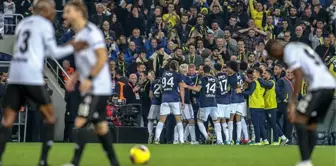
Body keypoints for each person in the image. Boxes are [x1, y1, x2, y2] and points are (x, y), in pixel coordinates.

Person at [0, 0, 87, 166]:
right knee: (51, 118)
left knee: (7, 121)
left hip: (15, 75)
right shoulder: (45, 25)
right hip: (31, 76)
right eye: (52, 9)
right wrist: (73, 46)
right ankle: (43, 161)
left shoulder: (23, 23)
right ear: (44, 11)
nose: (54, 11)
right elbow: (53, 51)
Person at [62, 1, 119, 166]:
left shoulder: (91, 32)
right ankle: (114, 162)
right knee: (101, 127)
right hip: (92, 86)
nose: (64, 15)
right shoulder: (79, 36)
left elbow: (102, 57)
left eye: (68, 11)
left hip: (98, 87)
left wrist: (89, 79)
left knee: (80, 120)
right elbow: (87, 62)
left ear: (78, 13)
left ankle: (74, 162)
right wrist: (76, 76)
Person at [266, 39, 336, 166]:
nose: (278, 59)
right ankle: (306, 160)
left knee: (299, 119)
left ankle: (305, 161)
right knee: (310, 124)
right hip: (329, 86)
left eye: (274, 56)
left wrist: (292, 102)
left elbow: (298, 74)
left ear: (275, 50)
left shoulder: (289, 51)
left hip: (319, 87)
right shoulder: (300, 46)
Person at [186, 65, 223, 144]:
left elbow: (197, 89)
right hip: (213, 103)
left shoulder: (202, 79)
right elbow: (219, 92)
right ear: (210, 70)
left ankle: (206, 137)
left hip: (205, 103)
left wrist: (187, 86)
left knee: (199, 121)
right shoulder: (216, 79)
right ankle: (220, 140)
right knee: (216, 121)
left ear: (203, 70)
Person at [154, 60, 185, 144]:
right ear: (177, 67)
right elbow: (181, 88)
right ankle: (181, 140)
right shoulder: (178, 75)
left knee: (161, 121)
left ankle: (156, 139)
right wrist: (182, 101)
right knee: (178, 120)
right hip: (174, 99)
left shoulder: (164, 74)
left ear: (169, 66)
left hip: (164, 99)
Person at [214, 63, 231, 144]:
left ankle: (219, 140)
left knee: (217, 120)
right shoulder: (227, 76)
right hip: (227, 101)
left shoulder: (215, 78)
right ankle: (227, 140)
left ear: (214, 69)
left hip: (219, 101)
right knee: (224, 120)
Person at [147, 71, 161, 144]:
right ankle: (157, 137)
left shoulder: (153, 82)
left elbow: (150, 95)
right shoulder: (164, 81)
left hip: (154, 103)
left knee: (150, 120)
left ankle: (150, 133)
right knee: (160, 121)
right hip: (162, 103)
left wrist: (153, 100)